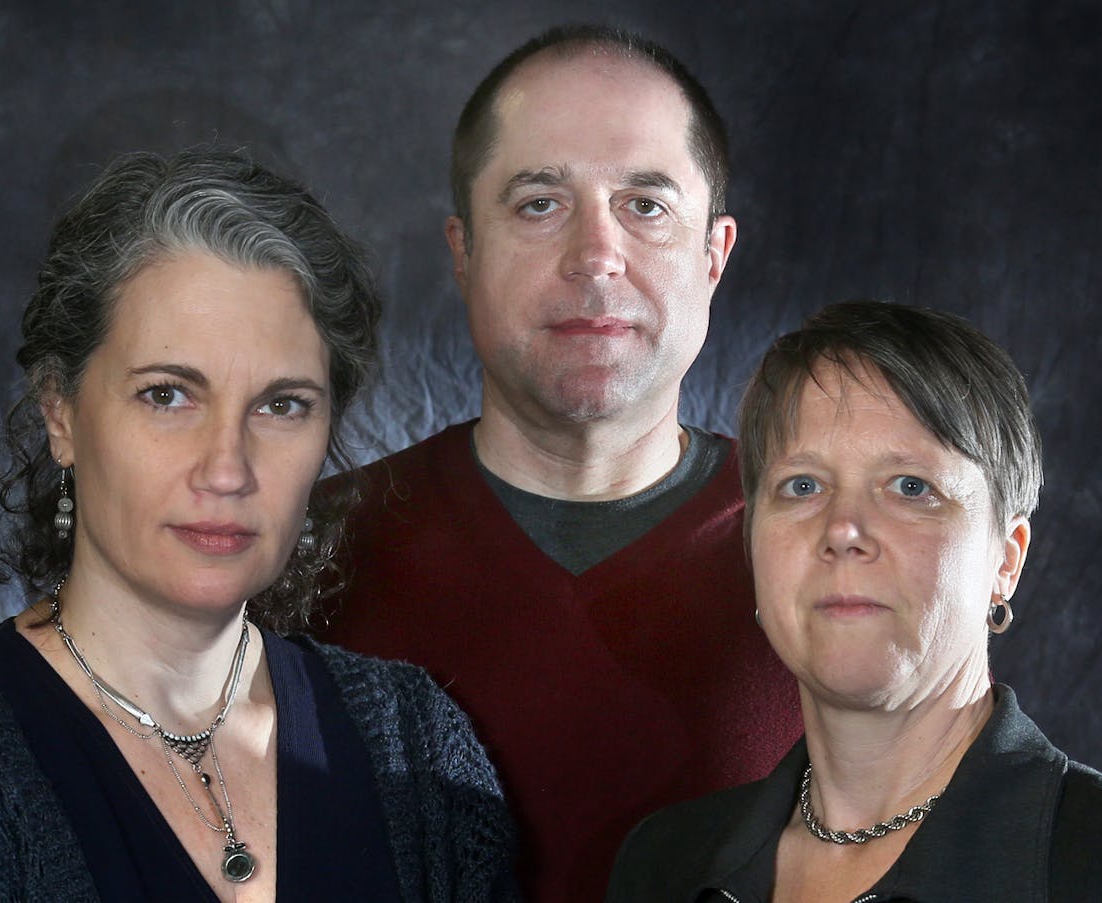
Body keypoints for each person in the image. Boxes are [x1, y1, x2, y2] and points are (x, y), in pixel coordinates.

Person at [0, 149, 517, 902]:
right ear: (60, 412)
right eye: (168, 394)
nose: (227, 467)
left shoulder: (419, 746)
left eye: (282, 405)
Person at [317, 24, 802, 903]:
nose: (595, 255)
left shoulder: (828, 556)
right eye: (539, 202)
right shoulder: (303, 555)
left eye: (645, 204)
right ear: (463, 253)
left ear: (714, 254)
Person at [606, 299, 1102, 902]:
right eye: (802, 486)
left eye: (911, 488)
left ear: (1005, 560)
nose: (843, 531)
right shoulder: (662, 865)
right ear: (753, 548)